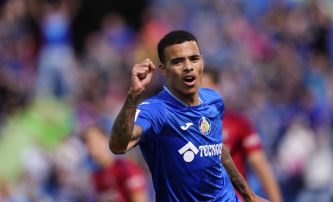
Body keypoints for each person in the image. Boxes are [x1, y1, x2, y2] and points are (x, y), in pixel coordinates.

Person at [109, 30, 268, 202]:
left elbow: (217, 148)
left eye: (193, 59)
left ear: (202, 61)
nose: (188, 67)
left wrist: (249, 196)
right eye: (178, 62)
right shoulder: (156, 110)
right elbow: (119, 145)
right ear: (164, 70)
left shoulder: (213, 100)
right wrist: (134, 94)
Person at [202, 68, 283, 202]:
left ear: (217, 89)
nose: (200, 95)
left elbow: (260, 164)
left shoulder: (237, 123)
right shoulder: (183, 127)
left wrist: (276, 199)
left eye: (205, 89)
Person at [81, 125, 148, 202]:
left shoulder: (125, 167)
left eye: (95, 140)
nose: (92, 145)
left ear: (106, 139)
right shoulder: (96, 177)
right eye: (87, 142)